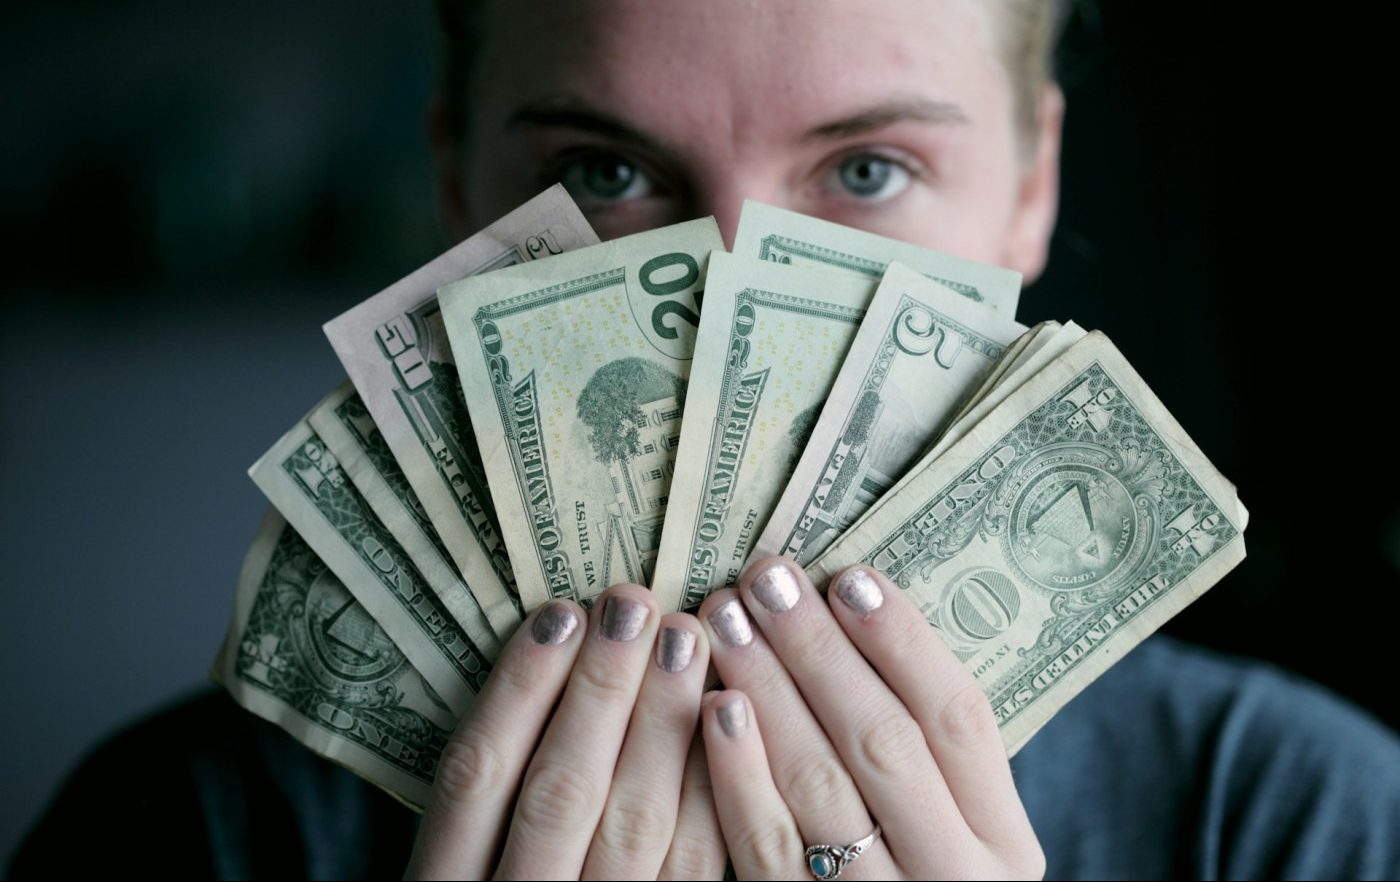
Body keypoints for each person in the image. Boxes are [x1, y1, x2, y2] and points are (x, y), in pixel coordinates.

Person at [12, 1, 1400, 879]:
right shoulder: (178, 832)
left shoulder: (1309, 820)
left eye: (866, 171)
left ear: (1032, 186)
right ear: (454, 188)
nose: (728, 286)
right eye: (601, 173)